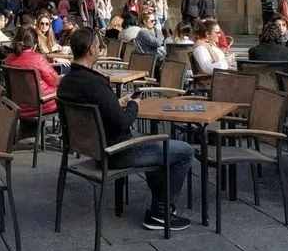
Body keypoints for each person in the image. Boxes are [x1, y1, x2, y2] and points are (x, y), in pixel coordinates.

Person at [58, 27, 194, 230]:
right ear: (90, 49)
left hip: (93, 148)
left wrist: (116, 102)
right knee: (184, 151)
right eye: (98, 45)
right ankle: (162, 211)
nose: (100, 48)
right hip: (116, 151)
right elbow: (122, 122)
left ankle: (159, 205)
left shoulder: (67, 82)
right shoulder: (95, 83)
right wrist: (133, 105)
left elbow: (98, 109)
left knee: (156, 144)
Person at [3, 26, 59, 119]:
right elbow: (55, 81)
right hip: (42, 104)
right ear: (35, 44)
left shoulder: (8, 59)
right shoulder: (38, 58)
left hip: (17, 104)